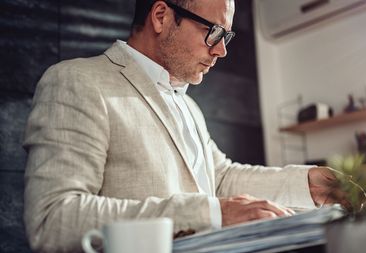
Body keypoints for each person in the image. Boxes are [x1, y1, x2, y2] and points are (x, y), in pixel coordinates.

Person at [23, 0, 348, 252]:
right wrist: (210, 214)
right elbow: (54, 219)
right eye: (215, 32)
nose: (221, 50)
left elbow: (220, 179)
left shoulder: (189, 106)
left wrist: (309, 183)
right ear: (161, 16)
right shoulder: (77, 82)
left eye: (227, 35)